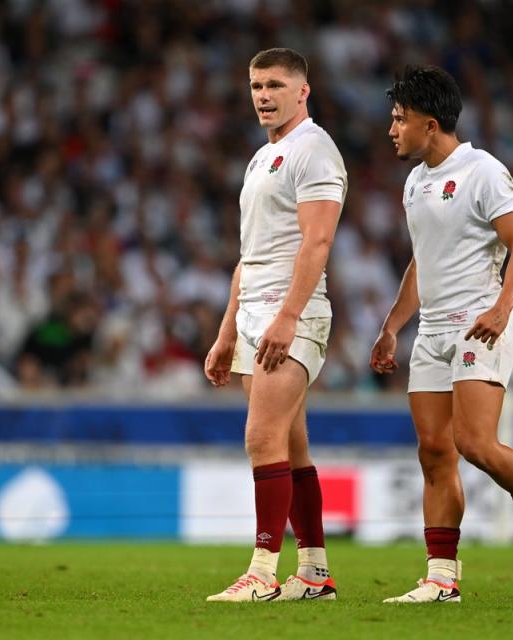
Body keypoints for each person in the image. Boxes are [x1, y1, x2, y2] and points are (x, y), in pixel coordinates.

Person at [371, 65, 513, 603]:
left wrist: (501, 305)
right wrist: (392, 327)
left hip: (479, 323)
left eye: (400, 120)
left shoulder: (483, 171)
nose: (392, 129)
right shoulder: (415, 182)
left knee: (475, 443)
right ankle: (441, 579)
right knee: (434, 451)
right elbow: (422, 264)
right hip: (432, 330)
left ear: (431, 124)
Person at [203, 48, 346, 602]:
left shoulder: (315, 150)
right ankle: (314, 574)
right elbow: (250, 256)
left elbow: (318, 241)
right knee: (290, 444)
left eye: (275, 85)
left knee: (261, 437)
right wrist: (225, 329)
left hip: (295, 312)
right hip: (254, 313)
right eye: (256, 85)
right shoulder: (261, 159)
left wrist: (288, 317)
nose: (263, 95)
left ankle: (262, 572)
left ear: (302, 91)